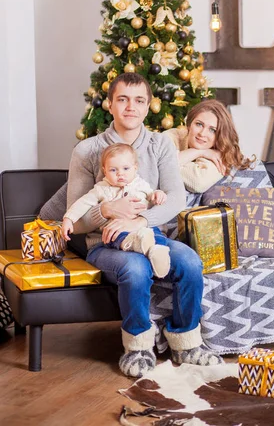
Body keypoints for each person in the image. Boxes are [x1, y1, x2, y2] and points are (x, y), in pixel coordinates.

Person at [66, 73, 223, 378]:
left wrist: (140, 218)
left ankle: (186, 342)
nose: (130, 107)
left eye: (139, 100)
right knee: (136, 269)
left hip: (152, 236)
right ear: (109, 104)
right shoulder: (86, 151)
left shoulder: (160, 145)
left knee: (190, 261)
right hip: (105, 244)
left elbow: (176, 197)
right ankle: (138, 348)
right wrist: (107, 209)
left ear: (148, 106)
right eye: (122, 99)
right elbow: (79, 220)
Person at [62, 143, 170, 278]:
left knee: (156, 234)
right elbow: (82, 203)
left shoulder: (140, 184)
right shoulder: (101, 188)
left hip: (144, 228)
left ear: (135, 168)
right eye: (113, 170)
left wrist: (158, 194)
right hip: (117, 231)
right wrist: (68, 218)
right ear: (104, 170)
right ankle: (137, 243)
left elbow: (152, 195)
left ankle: (158, 253)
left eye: (126, 168)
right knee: (116, 236)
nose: (120, 174)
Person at [164, 99, 253, 194]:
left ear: (220, 135)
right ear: (189, 125)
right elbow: (153, 163)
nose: (202, 133)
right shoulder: (171, 136)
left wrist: (167, 166)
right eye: (199, 124)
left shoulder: (220, 154)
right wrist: (200, 152)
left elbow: (197, 183)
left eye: (212, 130)